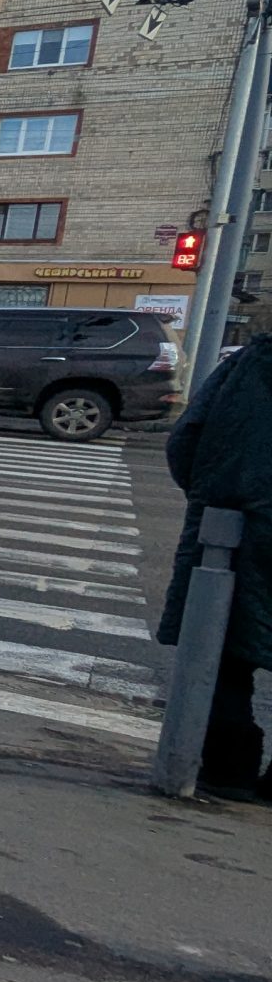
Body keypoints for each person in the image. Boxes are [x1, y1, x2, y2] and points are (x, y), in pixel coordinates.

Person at [159, 333, 272, 803]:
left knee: (221, 645)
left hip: (233, 528)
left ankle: (228, 765)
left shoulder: (250, 365)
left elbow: (186, 439)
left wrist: (215, 495)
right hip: (237, 522)